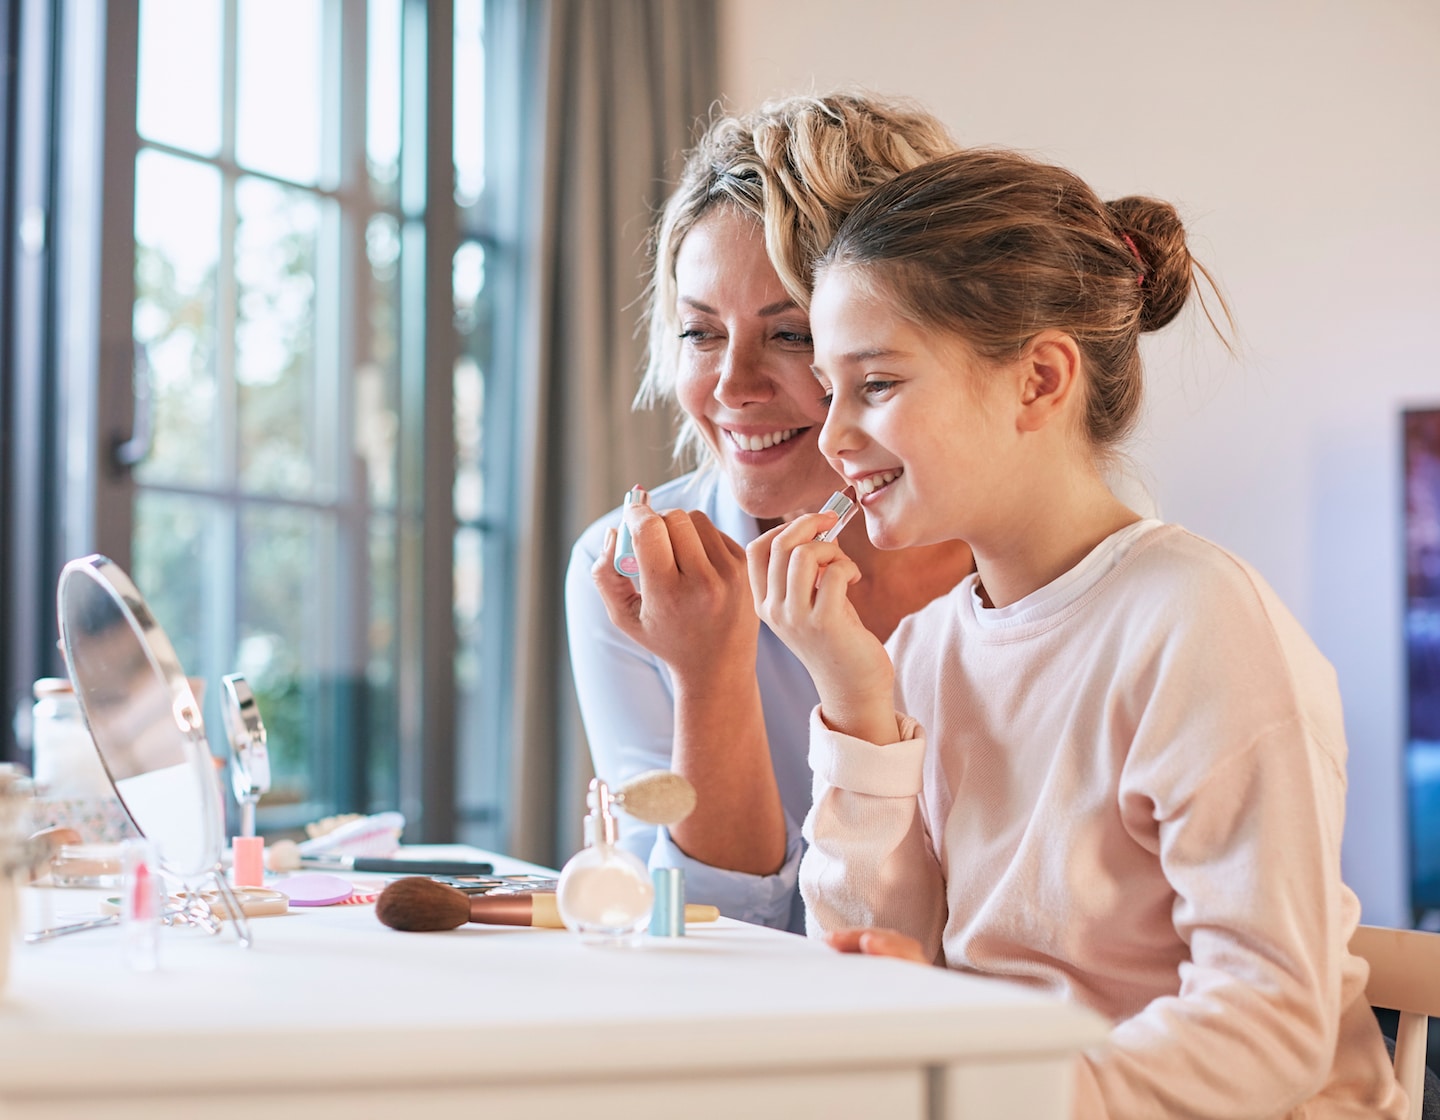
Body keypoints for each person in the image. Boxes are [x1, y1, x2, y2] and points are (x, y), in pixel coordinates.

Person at [749, 148, 1407, 1117]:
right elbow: (874, 954)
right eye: (829, 394)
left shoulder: (1198, 625)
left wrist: (1002, 1083)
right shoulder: (927, 649)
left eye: (876, 385)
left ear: (1040, 380)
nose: (835, 436)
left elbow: (1270, 1019)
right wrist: (855, 701)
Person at [565, 93, 975, 933]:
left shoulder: (1017, 560)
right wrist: (708, 674)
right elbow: (706, 928)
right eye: (700, 333)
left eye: (790, 335)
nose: (731, 387)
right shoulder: (625, 572)